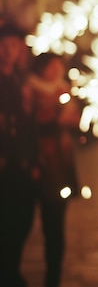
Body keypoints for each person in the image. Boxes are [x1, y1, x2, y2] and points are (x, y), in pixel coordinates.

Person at [27, 52, 82, 287]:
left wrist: (73, 117)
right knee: (23, 222)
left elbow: (77, 124)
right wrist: (56, 118)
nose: (56, 70)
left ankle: (53, 277)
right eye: (52, 66)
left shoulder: (64, 91)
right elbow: (31, 125)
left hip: (60, 167)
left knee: (56, 226)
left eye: (59, 66)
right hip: (35, 164)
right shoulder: (29, 90)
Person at [0, 22, 38, 287]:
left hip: (22, 165)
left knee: (22, 221)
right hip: (4, 165)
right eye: (3, 45)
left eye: (13, 45)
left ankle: (11, 270)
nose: (7, 51)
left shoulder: (19, 79)